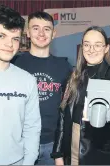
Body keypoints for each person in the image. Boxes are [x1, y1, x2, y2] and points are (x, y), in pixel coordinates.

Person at [0, 5, 41, 165]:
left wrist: (28, 162)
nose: (9, 44)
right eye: (1, 36)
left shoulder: (27, 80)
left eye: (15, 38)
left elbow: (32, 128)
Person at [51, 26, 110, 165]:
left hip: (101, 153)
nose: (91, 50)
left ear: (106, 48)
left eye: (97, 45)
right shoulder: (72, 76)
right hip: (72, 148)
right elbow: (62, 116)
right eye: (87, 44)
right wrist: (58, 154)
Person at [11, 11, 72, 165]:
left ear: (54, 33)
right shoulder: (15, 64)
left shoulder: (64, 66)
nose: (41, 33)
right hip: (20, 142)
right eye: (36, 28)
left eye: (47, 29)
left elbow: (69, 107)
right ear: (28, 33)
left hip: (52, 144)